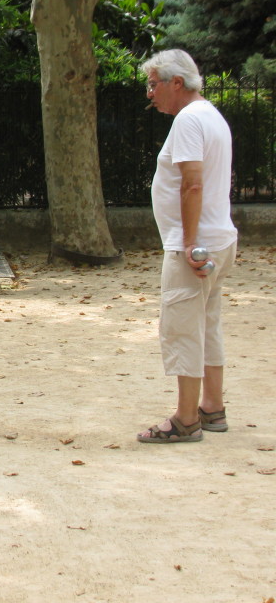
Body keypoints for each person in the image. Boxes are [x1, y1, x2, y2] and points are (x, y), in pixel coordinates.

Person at [136, 49, 238, 444]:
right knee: (206, 323)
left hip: (196, 244)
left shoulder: (189, 121)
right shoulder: (211, 115)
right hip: (218, 238)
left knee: (182, 327)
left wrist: (190, 242)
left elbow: (192, 183)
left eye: (153, 84)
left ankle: (185, 420)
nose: (150, 93)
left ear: (176, 83)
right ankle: (211, 408)